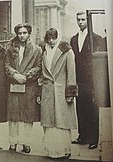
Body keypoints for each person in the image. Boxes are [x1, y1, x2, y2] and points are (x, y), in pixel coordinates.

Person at [37, 28, 78, 158]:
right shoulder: (44, 50)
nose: (51, 41)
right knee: (49, 123)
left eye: (53, 38)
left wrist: (70, 93)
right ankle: (51, 150)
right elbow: (41, 73)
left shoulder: (67, 51)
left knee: (61, 122)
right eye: (48, 38)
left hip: (61, 92)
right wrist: (39, 93)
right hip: (48, 91)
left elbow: (71, 73)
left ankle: (64, 150)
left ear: (58, 37)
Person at [5, 23, 42, 153]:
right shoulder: (10, 49)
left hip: (28, 85)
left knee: (27, 115)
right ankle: (13, 142)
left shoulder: (37, 50)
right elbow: (6, 64)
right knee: (13, 115)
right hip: (14, 84)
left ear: (29, 33)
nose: (22, 36)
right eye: (19, 33)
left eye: (24, 33)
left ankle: (26, 142)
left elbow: (38, 66)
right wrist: (15, 74)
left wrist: (25, 76)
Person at [70, 11, 103, 149]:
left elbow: (99, 62)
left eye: (83, 19)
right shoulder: (74, 38)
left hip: (91, 80)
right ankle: (82, 135)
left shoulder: (96, 38)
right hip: (78, 79)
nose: (81, 22)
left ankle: (94, 138)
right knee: (80, 108)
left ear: (88, 21)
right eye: (78, 20)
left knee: (92, 109)